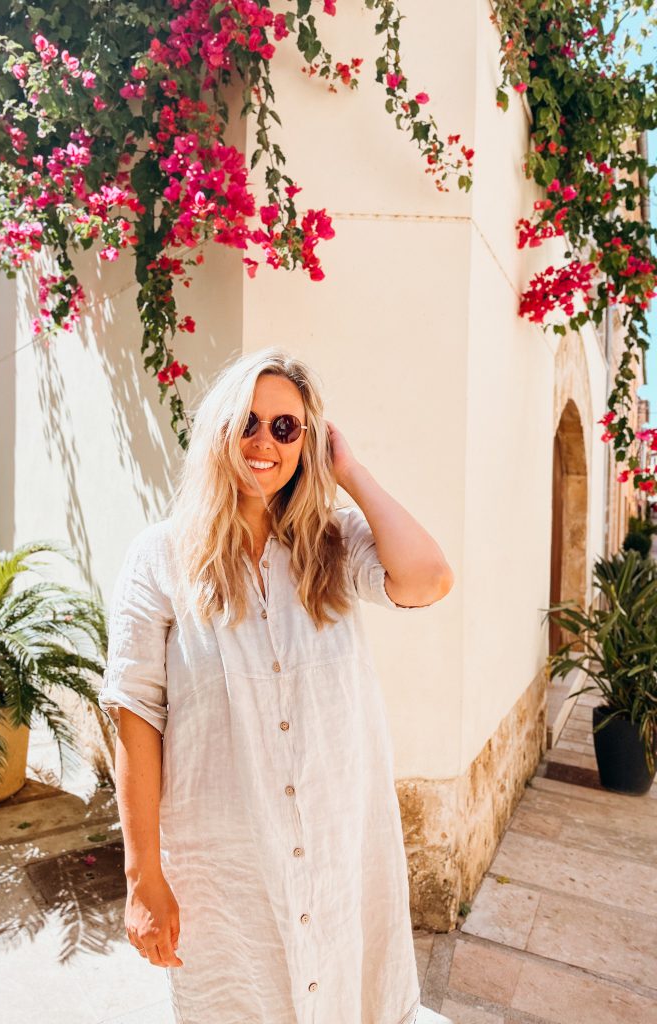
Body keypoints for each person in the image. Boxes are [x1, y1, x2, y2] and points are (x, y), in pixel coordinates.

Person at [97, 347, 454, 1024]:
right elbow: (135, 714)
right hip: (228, 872)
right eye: (249, 423)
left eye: (287, 428)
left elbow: (428, 579)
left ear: (308, 440)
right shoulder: (161, 558)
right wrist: (143, 877)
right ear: (220, 434)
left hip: (338, 854)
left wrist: (347, 469)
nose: (265, 442)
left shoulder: (334, 544)